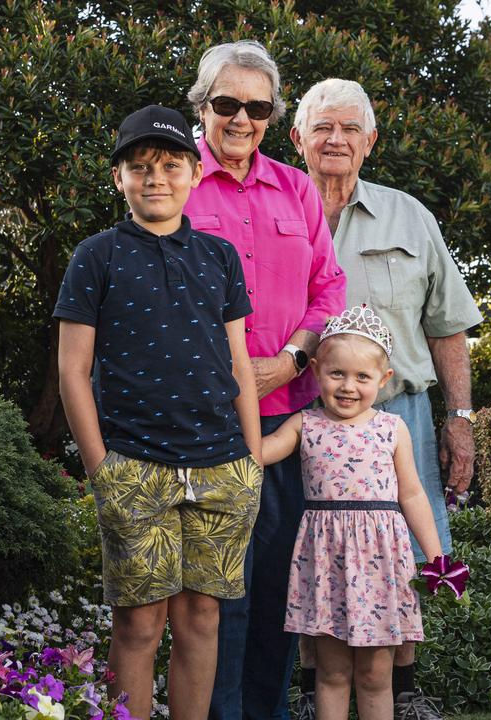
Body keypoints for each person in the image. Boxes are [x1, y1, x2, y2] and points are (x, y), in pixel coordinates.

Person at [54, 104, 264, 720]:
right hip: (135, 468)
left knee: (202, 618)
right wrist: (100, 469)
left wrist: (251, 459)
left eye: (171, 165)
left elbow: (240, 363)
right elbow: (72, 370)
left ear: (195, 175)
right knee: (139, 624)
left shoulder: (219, 258)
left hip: (222, 468)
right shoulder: (96, 257)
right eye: (139, 166)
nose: (156, 178)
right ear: (118, 177)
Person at [289, 78, 484, 720]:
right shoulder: (278, 214)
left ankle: (400, 694)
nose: (335, 139)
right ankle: (313, 689)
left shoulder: (409, 217)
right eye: (322, 127)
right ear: (298, 138)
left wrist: (459, 417)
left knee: (398, 550)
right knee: (310, 552)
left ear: (370, 141)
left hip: (397, 415)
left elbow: (447, 325)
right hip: (298, 417)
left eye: (350, 129)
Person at [182, 41, 347, 720]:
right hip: (207, 423)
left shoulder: (296, 187)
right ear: (203, 106)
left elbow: (329, 288)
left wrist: (297, 356)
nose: (241, 118)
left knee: (280, 586)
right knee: (217, 593)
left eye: (257, 107)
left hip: (287, 418)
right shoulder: (174, 179)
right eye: (227, 104)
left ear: (273, 116)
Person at [261, 305, 444, 720]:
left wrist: (437, 558)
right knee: (332, 671)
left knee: (376, 675)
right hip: (327, 563)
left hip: (381, 563)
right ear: (316, 373)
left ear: (383, 380)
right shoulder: (304, 424)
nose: (348, 386)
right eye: (337, 373)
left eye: (362, 377)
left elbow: (413, 495)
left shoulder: (391, 429)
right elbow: (260, 452)